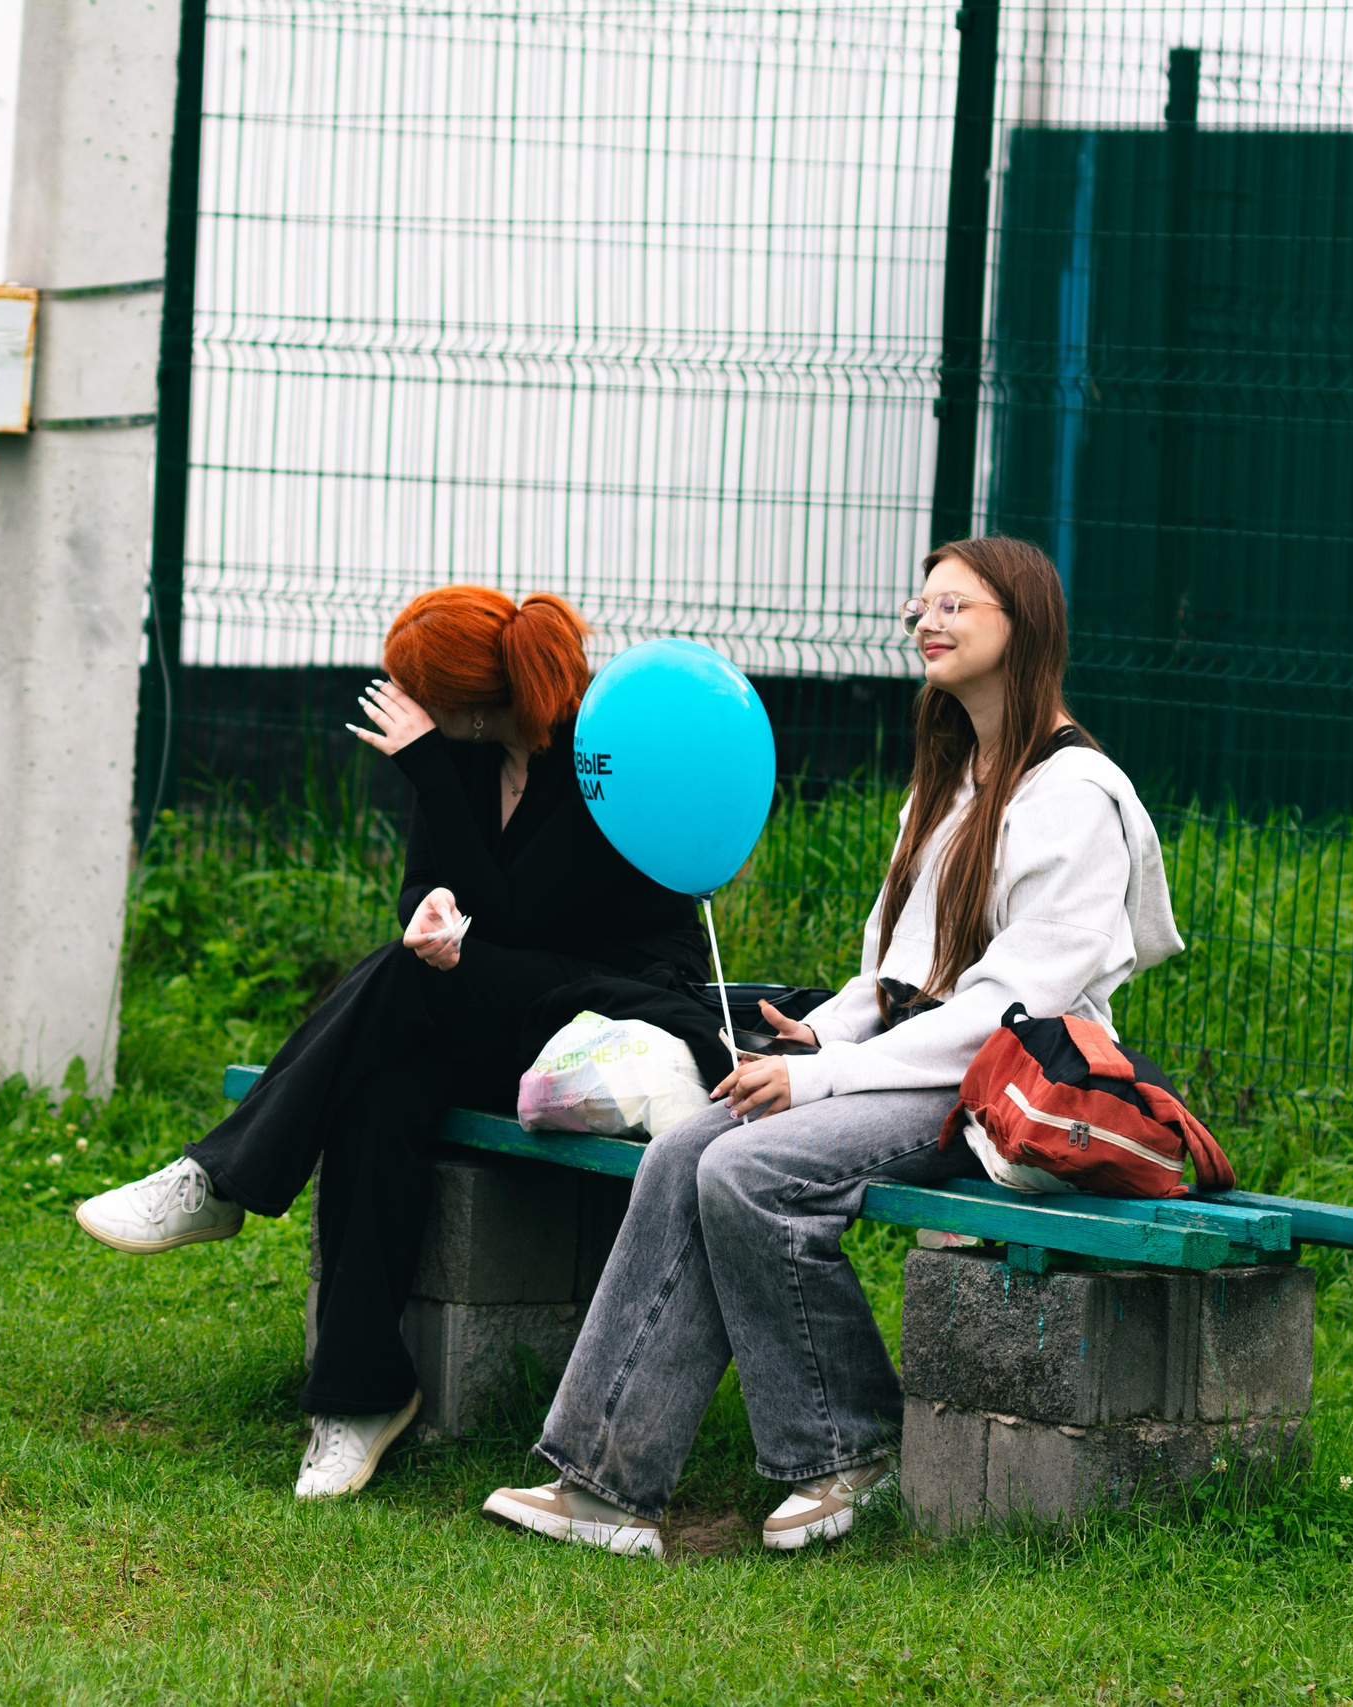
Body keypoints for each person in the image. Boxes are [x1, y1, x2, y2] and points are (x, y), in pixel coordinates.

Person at [481, 535, 1183, 1558]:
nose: (926, 622)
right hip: (899, 1064)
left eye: (956, 607)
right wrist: (825, 1031)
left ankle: (846, 1448)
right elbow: (891, 976)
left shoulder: (1072, 799)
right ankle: (604, 1482)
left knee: (751, 1171)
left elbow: (1002, 1008)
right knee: (687, 1146)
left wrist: (825, 1072)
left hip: (998, 1086)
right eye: (921, 607)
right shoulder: (949, 781)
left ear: (1023, 628)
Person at [74, 586, 706, 1499]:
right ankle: (360, 1393)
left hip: (611, 1016)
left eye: (416, 692)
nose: (402, 707)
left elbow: (525, 916)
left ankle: (219, 1179)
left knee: (405, 987)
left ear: (469, 698)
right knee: (382, 1092)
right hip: (498, 1016)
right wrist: (431, 915)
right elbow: (432, 893)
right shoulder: (461, 754)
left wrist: (430, 788)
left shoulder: (592, 760)